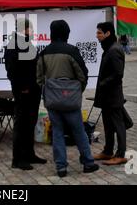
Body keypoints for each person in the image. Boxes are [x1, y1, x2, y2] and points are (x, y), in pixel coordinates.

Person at [37, 20, 99, 178]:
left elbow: (38, 79)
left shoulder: (44, 53)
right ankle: (88, 163)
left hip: (52, 101)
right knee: (78, 130)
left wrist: (48, 91)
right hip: (70, 99)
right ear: (67, 32)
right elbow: (82, 75)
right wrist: (77, 91)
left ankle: (61, 167)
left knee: (57, 132)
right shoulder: (72, 51)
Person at [4, 18, 46, 170]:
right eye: (30, 29)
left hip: (33, 90)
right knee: (21, 125)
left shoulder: (27, 43)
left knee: (31, 123)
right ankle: (18, 159)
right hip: (23, 91)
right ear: (23, 29)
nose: (32, 31)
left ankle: (29, 154)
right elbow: (12, 70)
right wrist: (22, 87)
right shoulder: (13, 45)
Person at [93, 22, 128, 165]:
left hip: (113, 95)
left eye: (99, 33)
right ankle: (107, 151)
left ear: (108, 33)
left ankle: (120, 154)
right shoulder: (108, 49)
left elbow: (118, 74)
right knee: (107, 124)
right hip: (106, 96)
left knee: (118, 125)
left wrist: (103, 83)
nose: (97, 35)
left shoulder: (114, 50)